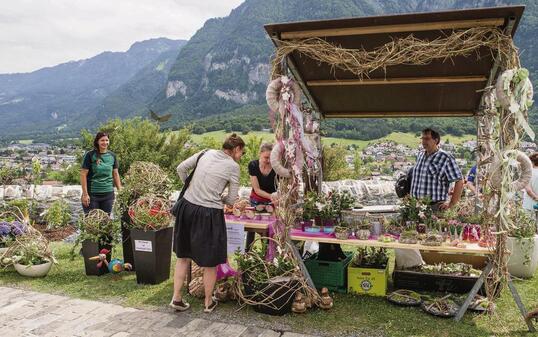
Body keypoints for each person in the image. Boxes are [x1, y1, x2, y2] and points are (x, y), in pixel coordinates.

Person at [171, 133, 244, 314]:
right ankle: (208, 303)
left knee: (183, 257)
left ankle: (176, 299)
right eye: (241, 152)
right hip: (208, 213)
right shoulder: (233, 167)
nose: (241, 156)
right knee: (210, 261)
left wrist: (189, 187)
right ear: (236, 150)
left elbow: (181, 168)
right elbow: (232, 199)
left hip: (186, 207)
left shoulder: (205, 152)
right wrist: (221, 197)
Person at [410, 128, 464, 210]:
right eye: (422, 138)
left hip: (435, 207)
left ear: (436, 140)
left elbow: (459, 181)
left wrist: (451, 203)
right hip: (416, 206)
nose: (424, 141)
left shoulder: (445, 157)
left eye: (427, 139)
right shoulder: (420, 155)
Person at [80, 132, 122, 215]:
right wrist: (85, 194)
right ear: (97, 142)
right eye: (102, 140)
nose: (105, 142)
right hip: (92, 195)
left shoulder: (112, 156)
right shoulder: (90, 155)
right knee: (92, 223)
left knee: (105, 222)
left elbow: (115, 174)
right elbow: (83, 174)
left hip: (108, 195)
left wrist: (120, 191)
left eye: (107, 140)